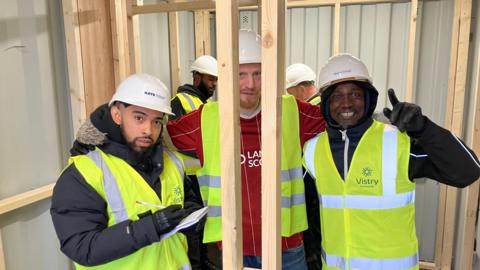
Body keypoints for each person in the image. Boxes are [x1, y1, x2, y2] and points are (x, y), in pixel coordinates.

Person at [167, 29, 326, 269]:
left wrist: (402, 127)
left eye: (257, 73)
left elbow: (341, 120)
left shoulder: (292, 111)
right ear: (227, 75)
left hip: (286, 247)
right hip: (232, 248)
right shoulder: (205, 119)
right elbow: (154, 134)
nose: (250, 84)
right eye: (241, 74)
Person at [303, 54, 480, 269]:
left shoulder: (396, 142)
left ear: (368, 99)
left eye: (355, 94)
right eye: (337, 95)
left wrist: (425, 129)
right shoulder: (312, 150)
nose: (346, 102)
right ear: (326, 102)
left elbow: (467, 172)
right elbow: (310, 216)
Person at [50, 73, 202, 270]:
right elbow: (82, 247)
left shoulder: (172, 162)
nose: (148, 129)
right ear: (117, 115)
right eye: (139, 117)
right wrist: (151, 226)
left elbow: (187, 201)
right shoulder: (83, 174)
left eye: (157, 121)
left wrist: (191, 216)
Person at [170, 55, 218, 120]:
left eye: (216, 80)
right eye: (211, 79)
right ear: (197, 77)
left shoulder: (209, 103)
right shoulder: (178, 101)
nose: (215, 83)